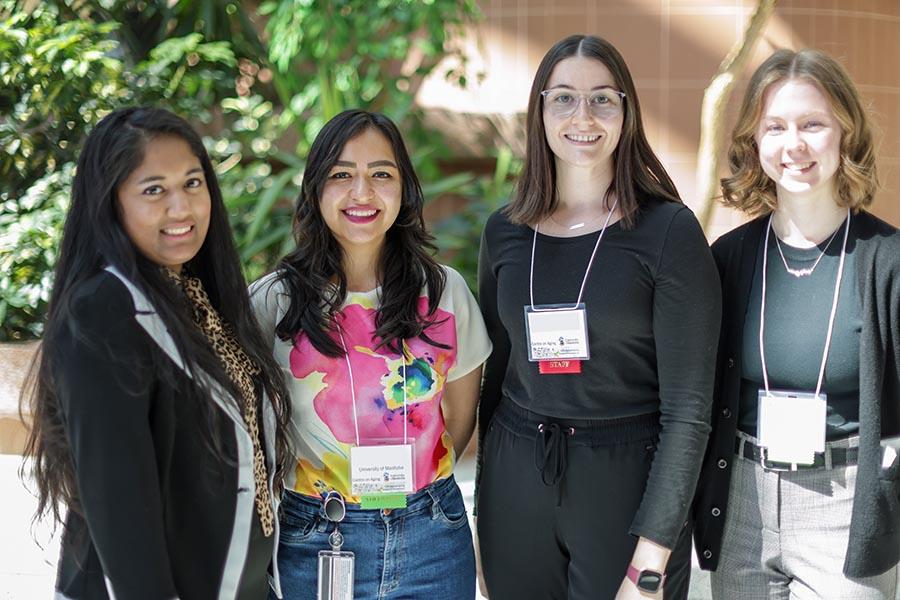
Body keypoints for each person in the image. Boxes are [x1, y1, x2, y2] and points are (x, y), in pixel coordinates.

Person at [476, 34, 721, 600]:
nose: (581, 116)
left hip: (625, 484)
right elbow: (496, 381)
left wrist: (653, 554)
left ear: (626, 112)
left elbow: (688, 411)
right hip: (517, 480)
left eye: (601, 99)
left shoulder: (668, 233)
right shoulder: (505, 232)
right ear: (539, 112)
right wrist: (486, 524)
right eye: (562, 98)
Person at [20, 106, 292, 600]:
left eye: (192, 183)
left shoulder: (197, 294)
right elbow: (118, 498)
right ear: (110, 202)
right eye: (153, 190)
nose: (181, 208)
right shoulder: (101, 311)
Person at [250, 109, 492, 599]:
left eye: (381, 174)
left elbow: (460, 418)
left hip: (432, 535)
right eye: (342, 175)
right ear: (315, 189)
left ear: (404, 189)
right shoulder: (272, 302)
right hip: (318, 536)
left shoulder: (444, 293)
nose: (362, 193)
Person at [692, 48, 900, 599]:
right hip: (742, 499)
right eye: (776, 127)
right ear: (754, 142)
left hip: (845, 504)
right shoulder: (729, 258)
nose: (795, 144)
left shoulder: (888, 260)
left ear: (846, 133)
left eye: (813, 124)